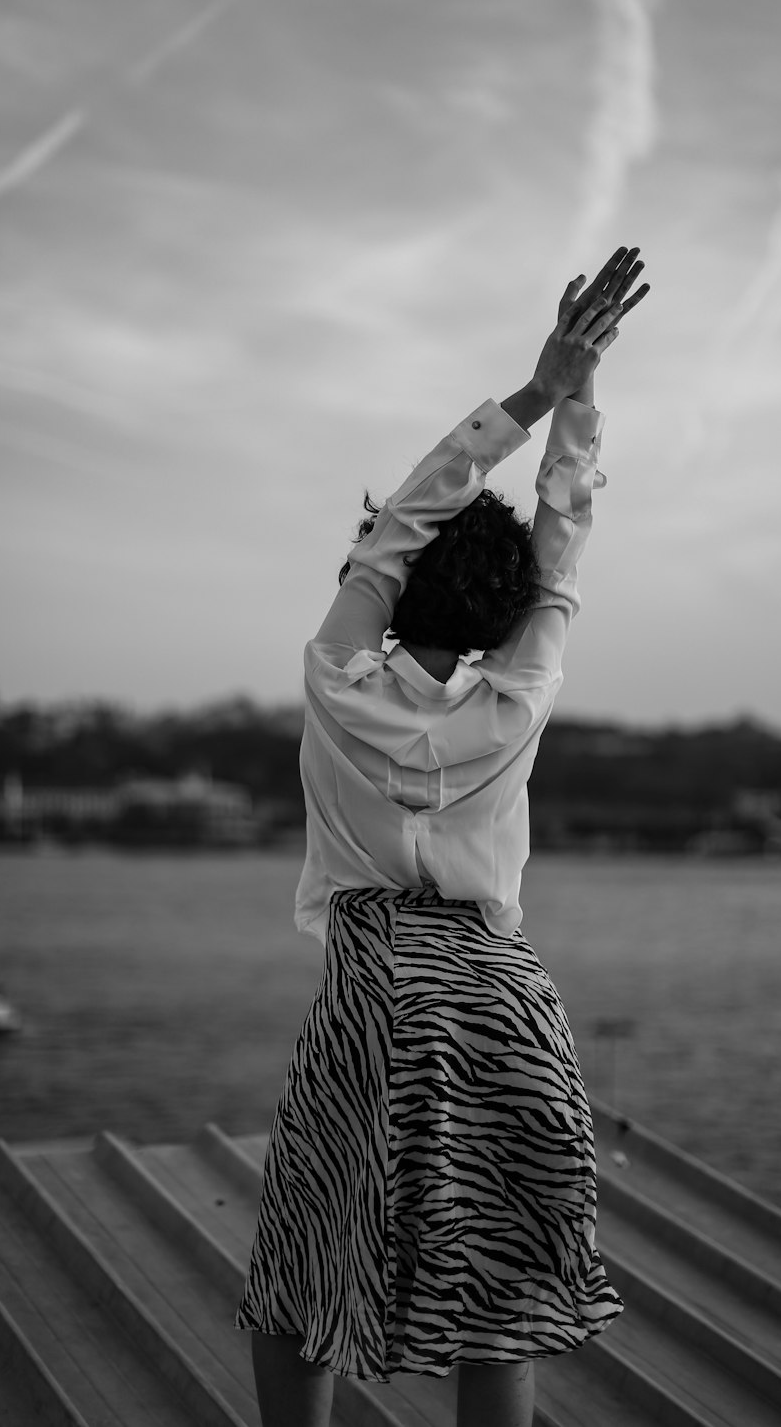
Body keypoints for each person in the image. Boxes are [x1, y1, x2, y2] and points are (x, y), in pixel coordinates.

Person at [234, 244, 651, 1427]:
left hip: (378, 994)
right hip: (509, 999)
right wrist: (582, 400)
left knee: (300, 1264)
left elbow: (409, 513)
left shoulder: (332, 680)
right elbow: (564, 537)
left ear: (389, 576)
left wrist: (531, 391)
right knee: (502, 1290)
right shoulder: (518, 697)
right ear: (508, 611)